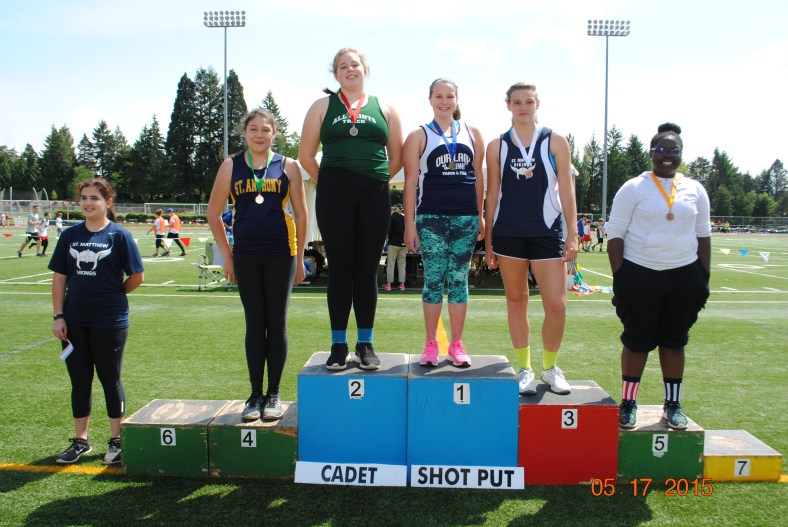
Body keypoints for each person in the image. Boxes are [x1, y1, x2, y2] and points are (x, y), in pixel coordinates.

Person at [299, 47, 403, 371]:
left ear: (365, 69)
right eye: (342, 66)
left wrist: (374, 182)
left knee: (367, 270)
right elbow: (305, 155)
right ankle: (338, 344)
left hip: (374, 194)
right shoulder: (321, 106)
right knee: (340, 270)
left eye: (355, 64)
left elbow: (396, 157)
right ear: (335, 74)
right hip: (334, 196)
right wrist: (329, 184)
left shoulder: (385, 107)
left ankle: (366, 343)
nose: (350, 70)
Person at [607, 123, 711, 430]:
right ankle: (628, 402)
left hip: (683, 275)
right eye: (661, 150)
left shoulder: (695, 189)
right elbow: (615, 235)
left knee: (674, 341)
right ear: (652, 153)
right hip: (640, 273)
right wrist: (621, 276)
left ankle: (673, 403)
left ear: (681, 154)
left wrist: (702, 277)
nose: (667, 156)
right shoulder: (634, 187)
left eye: (673, 150)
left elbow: (703, 236)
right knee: (637, 342)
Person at [208, 108, 308, 421]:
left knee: (276, 324)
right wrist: (227, 255)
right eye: (253, 129)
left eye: (266, 129)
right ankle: (254, 394)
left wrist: (301, 256)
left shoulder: (288, 166)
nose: (259, 135)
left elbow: (302, 214)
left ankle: (274, 394)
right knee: (255, 324)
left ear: (274, 134)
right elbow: (213, 213)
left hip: (282, 254)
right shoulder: (231, 165)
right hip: (246, 255)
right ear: (245, 133)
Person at [484, 82, 578, 395]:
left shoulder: (555, 140)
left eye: (528, 102)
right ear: (508, 105)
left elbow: (566, 190)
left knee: (557, 304)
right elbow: (492, 193)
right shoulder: (497, 145)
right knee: (516, 299)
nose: (523, 107)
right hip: (508, 232)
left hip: (546, 231)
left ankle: (550, 369)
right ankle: (524, 369)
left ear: (537, 104)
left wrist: (573, 234)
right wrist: (488, 241)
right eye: (517, 102)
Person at [49, 177, 144, 464]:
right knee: (80, 381)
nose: (88, 203)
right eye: (84, 198)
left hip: (110, 320)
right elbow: (59, 278)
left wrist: (114, 293)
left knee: (110, 379)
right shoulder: (69, 235)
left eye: (95, 198)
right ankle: (81, 441)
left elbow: (137, 277)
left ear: (108, 203)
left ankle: (116, 441)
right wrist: (58, 316)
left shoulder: (119, 236)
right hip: (74, 320)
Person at [403, 78, 485, 368]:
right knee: (434, 280)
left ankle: (457, 344)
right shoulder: (419, 135)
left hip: (465, 217)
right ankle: (430, 343)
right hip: (432, 218)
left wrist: (480, 214)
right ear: (430, 99)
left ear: (457, 99)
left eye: (449, 96)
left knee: (459, 280)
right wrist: (409, 224)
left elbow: (478, 179)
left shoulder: (473, 133)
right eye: (439, 96)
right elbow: (411, 182)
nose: (444, 101)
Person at [384, 205, 407, 291]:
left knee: (391, 264)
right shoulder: (404, 218)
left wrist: (387, 241)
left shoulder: (391, 218)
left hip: (393, 243)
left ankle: (389, 284)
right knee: (402, 264)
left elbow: (388, 231)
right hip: (404, 244)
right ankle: (402, 284)